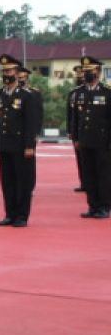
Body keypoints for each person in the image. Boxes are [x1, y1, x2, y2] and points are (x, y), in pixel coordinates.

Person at [0, 55, 40, 227]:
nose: (6, 74)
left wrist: (29, 146)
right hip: (4, 145)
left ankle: (21, 216)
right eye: (4, 71)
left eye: (10, 70)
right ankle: (9, 214)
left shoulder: (27, 96)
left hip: (21, 146)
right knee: (7, 182)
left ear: (17, 72)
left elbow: (31, 123)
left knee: (22, 182)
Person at [72, 56, 110, 219]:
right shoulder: (79, 93)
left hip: (103, 141)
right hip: (85, 140)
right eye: (86, 71)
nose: (88, 74)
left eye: (91, 71)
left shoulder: (107, 92)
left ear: (99, 72)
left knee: (103, 175)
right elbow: (76, 118)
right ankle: (92, 205)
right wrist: (76, 138)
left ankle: (104, 206)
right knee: (89, 174)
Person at [67, 66, 85, 192]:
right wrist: (69, 130)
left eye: (81, 76)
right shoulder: (73, 93)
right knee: (80, 158)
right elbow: (70, 113)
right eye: (78, 76)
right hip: (77, 131)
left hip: (92, 132)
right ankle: (84, 182)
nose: (79, 78)